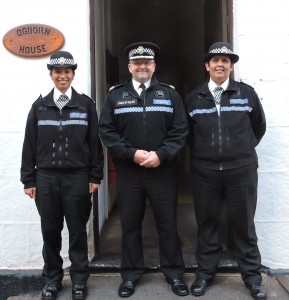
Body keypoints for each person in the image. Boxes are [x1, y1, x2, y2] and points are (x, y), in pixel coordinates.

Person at [99, 42, 189, 298]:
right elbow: (107, 130)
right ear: (129, 67)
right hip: (130, 173)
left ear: (154, 66)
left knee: (168, 225)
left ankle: (174, 274)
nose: (142, 66)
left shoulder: (170, 95)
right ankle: (130, 276)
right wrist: (132, 153)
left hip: (163, 172)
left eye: (147, 62)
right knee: (130, 226)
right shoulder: (115, 95)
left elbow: (180, 129)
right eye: (137, 63)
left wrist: (162, 155)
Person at [185, 42, 267, 300]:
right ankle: (205, 275)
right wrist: (206, 155)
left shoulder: (247, 94)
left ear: (231, 66)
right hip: (205, 173)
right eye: (215, 60)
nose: (220, 64)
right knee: (207, 225)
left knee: (243, 225)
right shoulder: (194, 97)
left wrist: (240, 152)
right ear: (206, 65)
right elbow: (188, 134)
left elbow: (258, 127)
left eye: (225, 60)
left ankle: (252, 279)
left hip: (241, 171)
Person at [20, 50, 104, 300]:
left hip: (77, 177)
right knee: (50, 231)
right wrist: (29, 179)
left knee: (78, 231)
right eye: (58, 72)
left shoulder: (85, 105)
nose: (63, 76)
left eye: (67, 71)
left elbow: (95, 144)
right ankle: (52, 280)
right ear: (51, 75)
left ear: (73, 74)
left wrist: (95, 176)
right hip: (45, 178)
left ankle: (79, 280)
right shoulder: (39, 106)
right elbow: (29, 145)